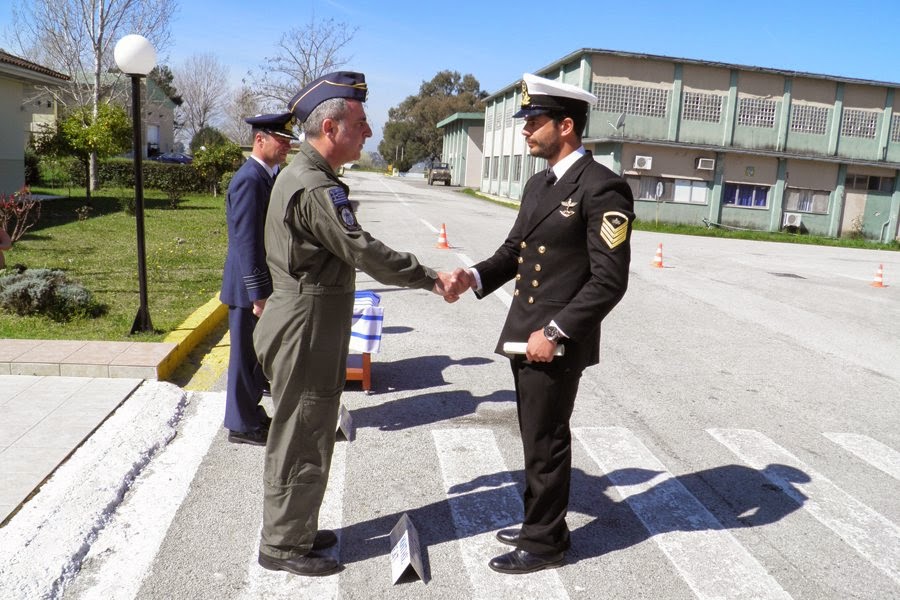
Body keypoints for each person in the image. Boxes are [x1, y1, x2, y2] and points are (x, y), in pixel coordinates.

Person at [252, 71, 455, 577]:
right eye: (360, 124)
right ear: (329, 126)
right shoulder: (314, 185)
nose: (368, 133)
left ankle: (294, 527)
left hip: (309, 321)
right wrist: (430, 278)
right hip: (306, 326)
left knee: (311, 427)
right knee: (301, 432)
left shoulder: (305, 176)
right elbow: (362, 249)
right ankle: (282, 545)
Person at [448, 73, 635, 574]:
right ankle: (544, 521)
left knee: (547, 440)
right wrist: (472, 275)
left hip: (554, 341)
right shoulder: (541, 182)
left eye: (535, 121)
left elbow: (608, 281)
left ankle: (544, 541)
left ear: (566, 125)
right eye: (527, 121)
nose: (526, 130)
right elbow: (515, 251)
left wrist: (555, 333)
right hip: (523, 333)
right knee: (535, 435)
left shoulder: (602, 187)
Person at [220, 112, 296, 446]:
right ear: (260, 139)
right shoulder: (250, 179)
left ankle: (249, 415)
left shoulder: (267, 176)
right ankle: (240, 425)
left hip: (258, 285)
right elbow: (245, 240)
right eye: (281, 141)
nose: (287, 148)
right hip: (247, 288)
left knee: (255, 359)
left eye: (289, 142)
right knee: (245, 359)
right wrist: (258, 293)